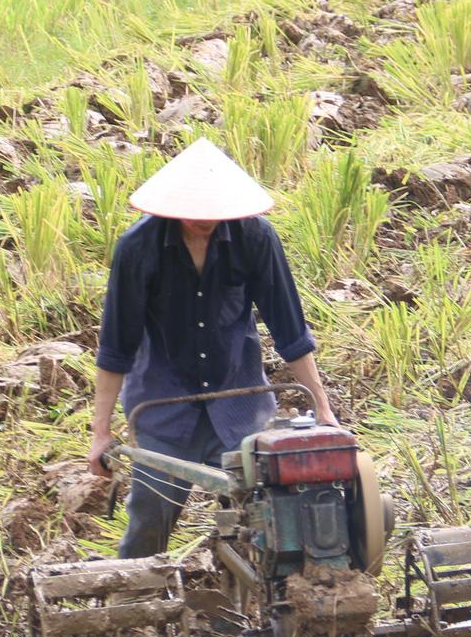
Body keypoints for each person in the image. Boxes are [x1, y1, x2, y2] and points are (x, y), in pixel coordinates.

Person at [88, 139, 337, 559]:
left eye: (214, 212)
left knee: (266, 517)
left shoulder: (254, 237)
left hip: (238, 401)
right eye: (195, 212)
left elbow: (289, 327)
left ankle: (256, 604)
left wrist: (325, 410)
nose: (206, 221)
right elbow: (116, 347)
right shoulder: (138, 248)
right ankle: (137, 599)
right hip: (162, 405)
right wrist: (100, 432)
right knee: (152, 512)